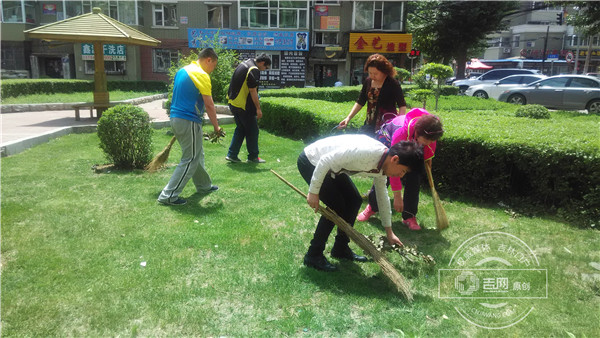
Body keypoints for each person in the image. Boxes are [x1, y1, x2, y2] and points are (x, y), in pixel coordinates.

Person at [297, 134, 424, 271]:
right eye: (403, 171)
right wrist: (313, 192)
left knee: (354, 200)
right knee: (336, 206)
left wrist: (389, 232)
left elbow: (382, 196)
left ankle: (340, 248)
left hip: (333, 167)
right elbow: (325, 160)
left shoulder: (383, 166)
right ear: (395, 159)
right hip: (312, 160)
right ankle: (313, 254)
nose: (401, 176)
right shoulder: (367, 153)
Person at [357, 108, 444, 231]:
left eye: (432, 141)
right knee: (384, 173)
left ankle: (409, 216)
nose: (429, 143)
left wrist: (425, 169)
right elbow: (394, 167)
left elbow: (427, 158)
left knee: (415, 177)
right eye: (426, 141)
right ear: (418, 133)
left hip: (411, 144)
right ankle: (373, 206)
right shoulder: (401, 132)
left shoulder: (430, 135)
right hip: (388, 140)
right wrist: (397, 197)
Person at [158, 48, 223, 206]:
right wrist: (217, 127)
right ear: (208, 60)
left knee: (197, 154)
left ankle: (204, 186)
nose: (212, 70)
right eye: (213, 65)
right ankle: (168, 195)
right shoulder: (201, 74)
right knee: (190, 158)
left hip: (177, 118)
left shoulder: (183, 70)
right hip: (189, 120)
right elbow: (209, 104)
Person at [338, 54, 407, 135]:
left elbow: (402, 105)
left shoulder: (392, 83)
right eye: (370, 73)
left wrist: (399, 124)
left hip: (387, 125)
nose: (372, 76)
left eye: (375, 73)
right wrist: (348, 118)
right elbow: (360, 101)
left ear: (384, 71)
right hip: (369, 124)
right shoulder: (368, 81)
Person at [225, 54, 272, 163]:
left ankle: (232, 155)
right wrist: (258, 109)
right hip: (244, 106)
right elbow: (252, 90)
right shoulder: (254, 69)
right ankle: (253, 157)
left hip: (233, 102)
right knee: (253, 131)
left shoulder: (245, 63)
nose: (265, 70)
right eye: (266, 67)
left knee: (241, 129)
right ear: (262, 63)